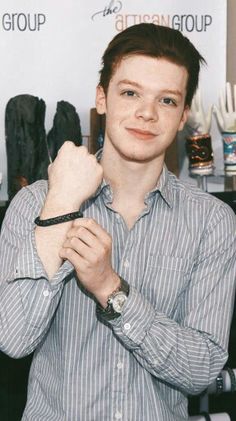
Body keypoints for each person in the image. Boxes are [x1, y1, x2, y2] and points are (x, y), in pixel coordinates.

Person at [0, 23, 235, 421]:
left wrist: (110, 288)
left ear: (182, 116)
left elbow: (202, 370)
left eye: (166, 100)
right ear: (102, 98)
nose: (146, 112)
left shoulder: (212, 221)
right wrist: (61, 203)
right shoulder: (34, 203)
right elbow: (15, 338)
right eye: (130, 93)